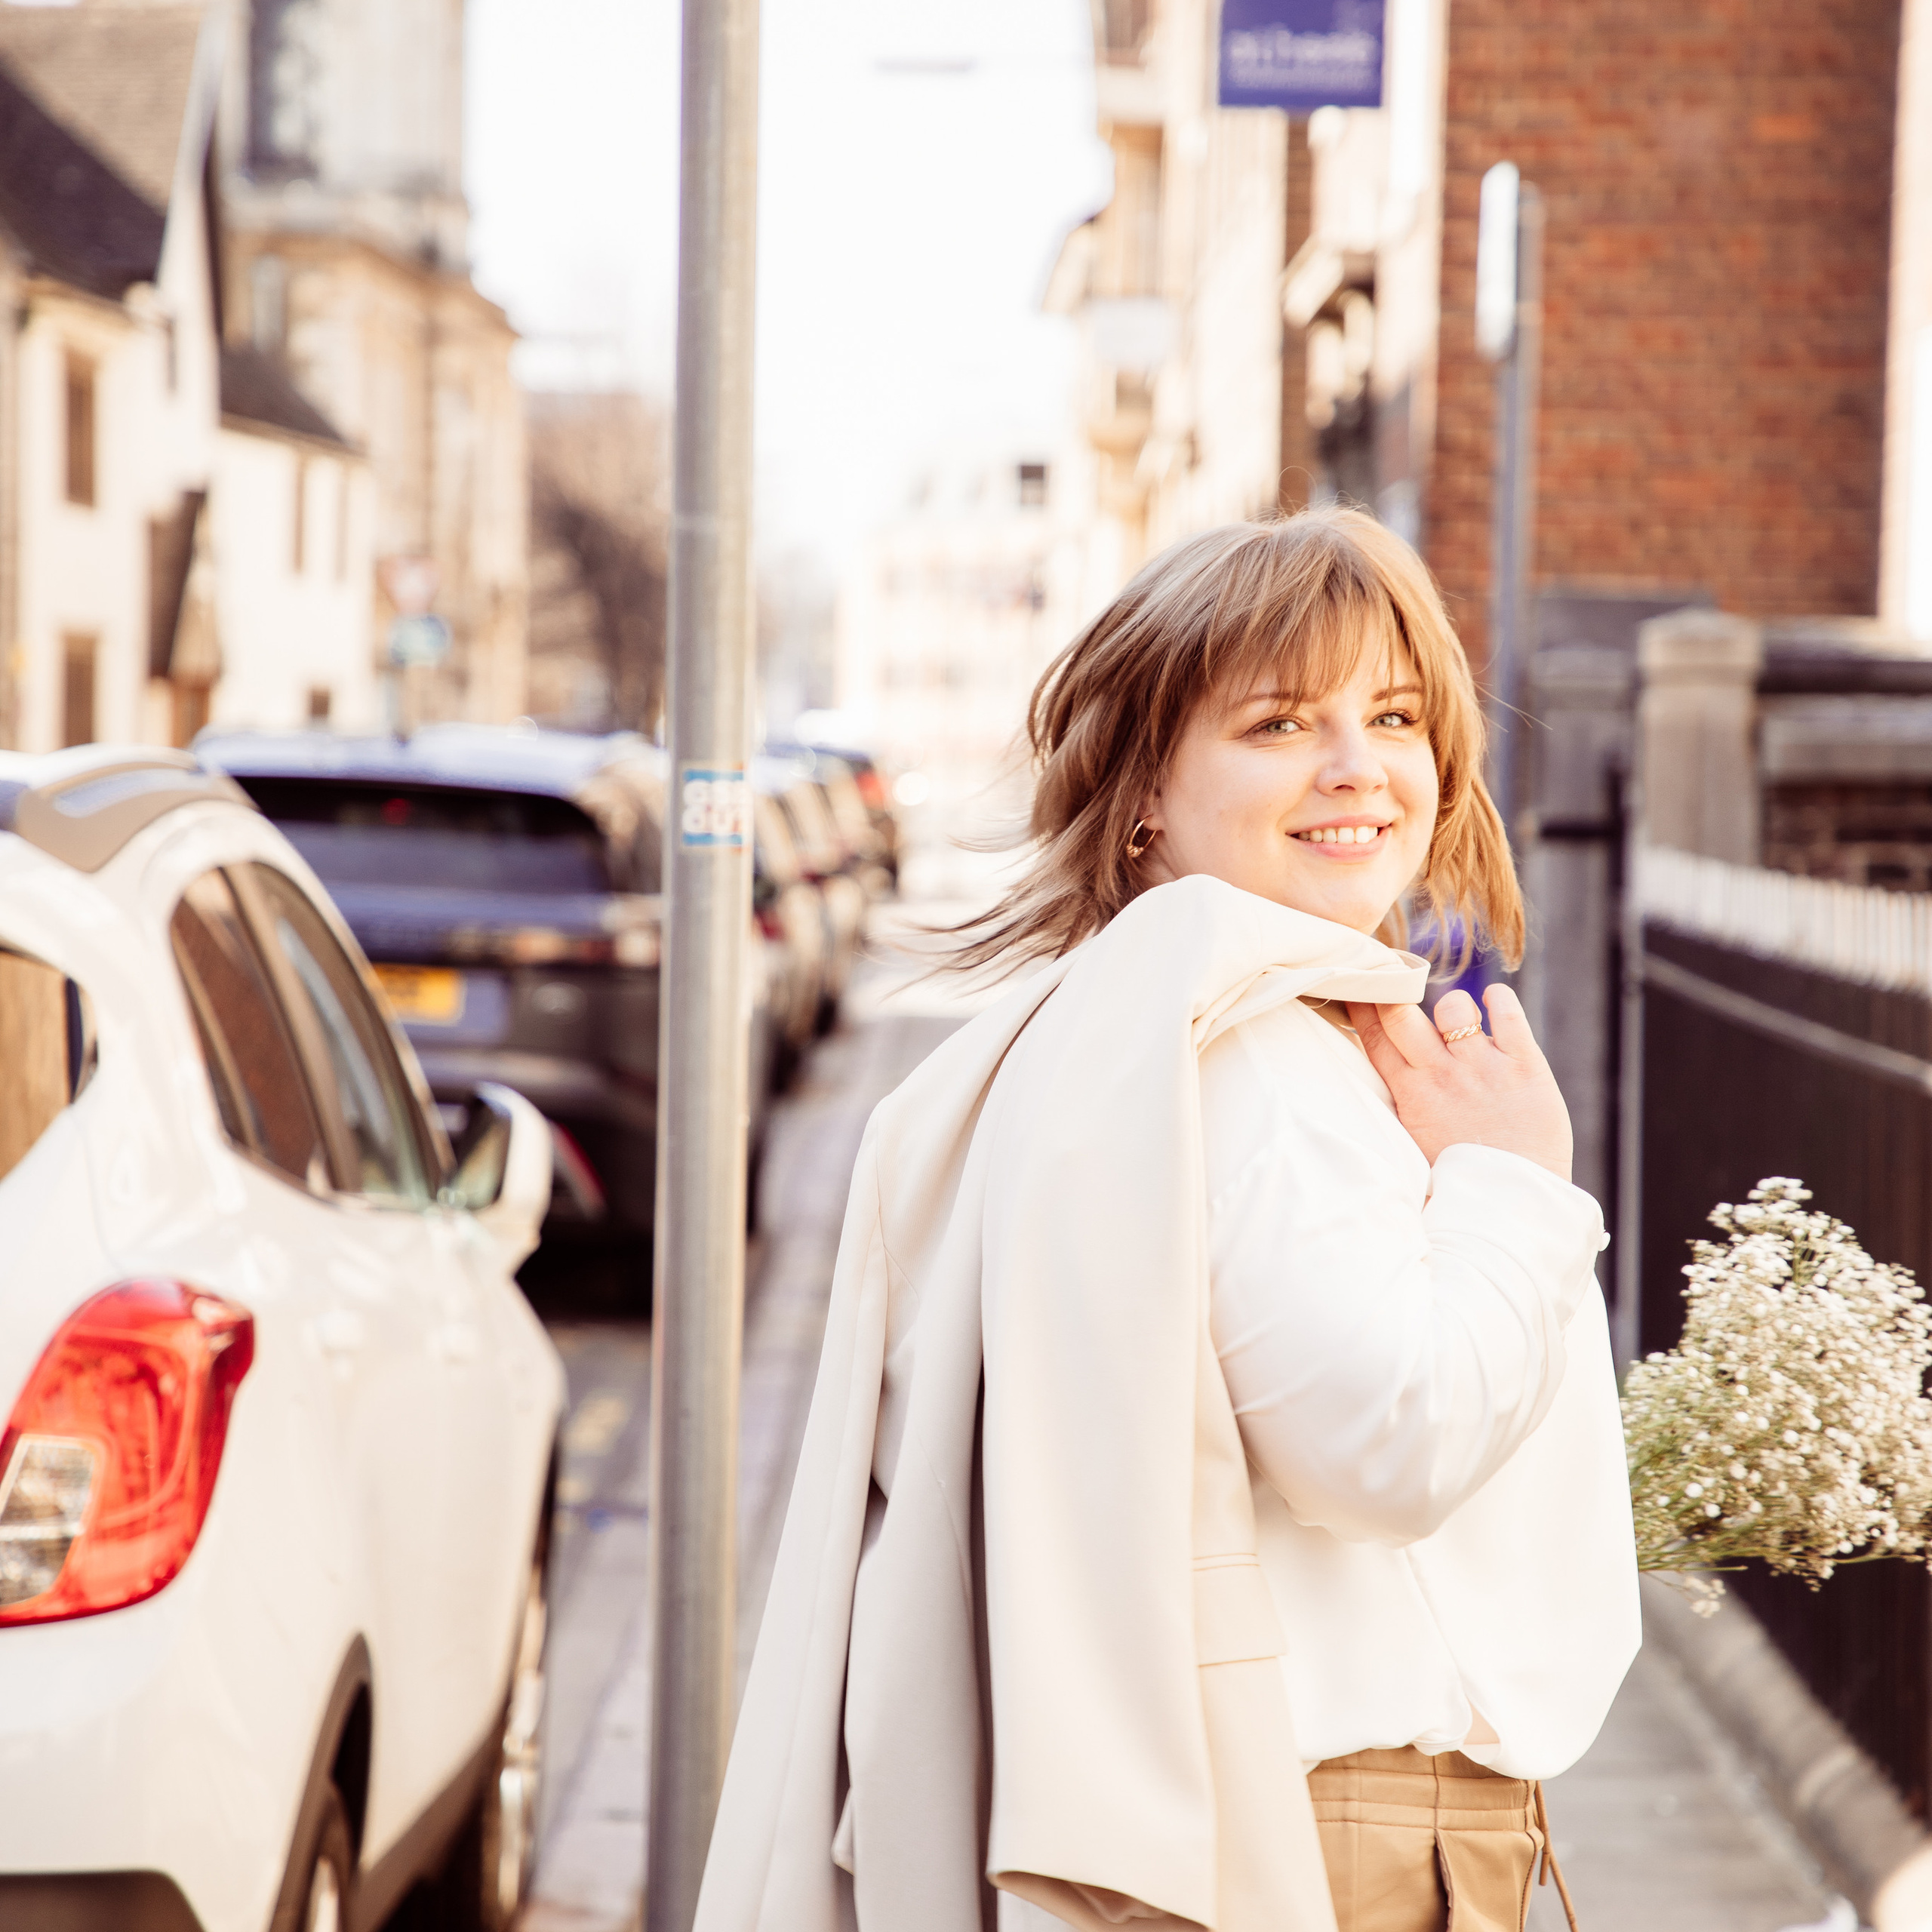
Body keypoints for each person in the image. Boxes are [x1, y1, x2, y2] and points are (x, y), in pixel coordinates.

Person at [697, 508, 1639, 1932]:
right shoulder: (1244, 1058)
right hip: (1343, 1851)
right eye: (1277, 724)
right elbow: (1390, 1439)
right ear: (1144, 794)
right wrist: (1515, 1180)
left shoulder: (1127, 1036)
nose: (1356, 766)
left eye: (1393, 713)